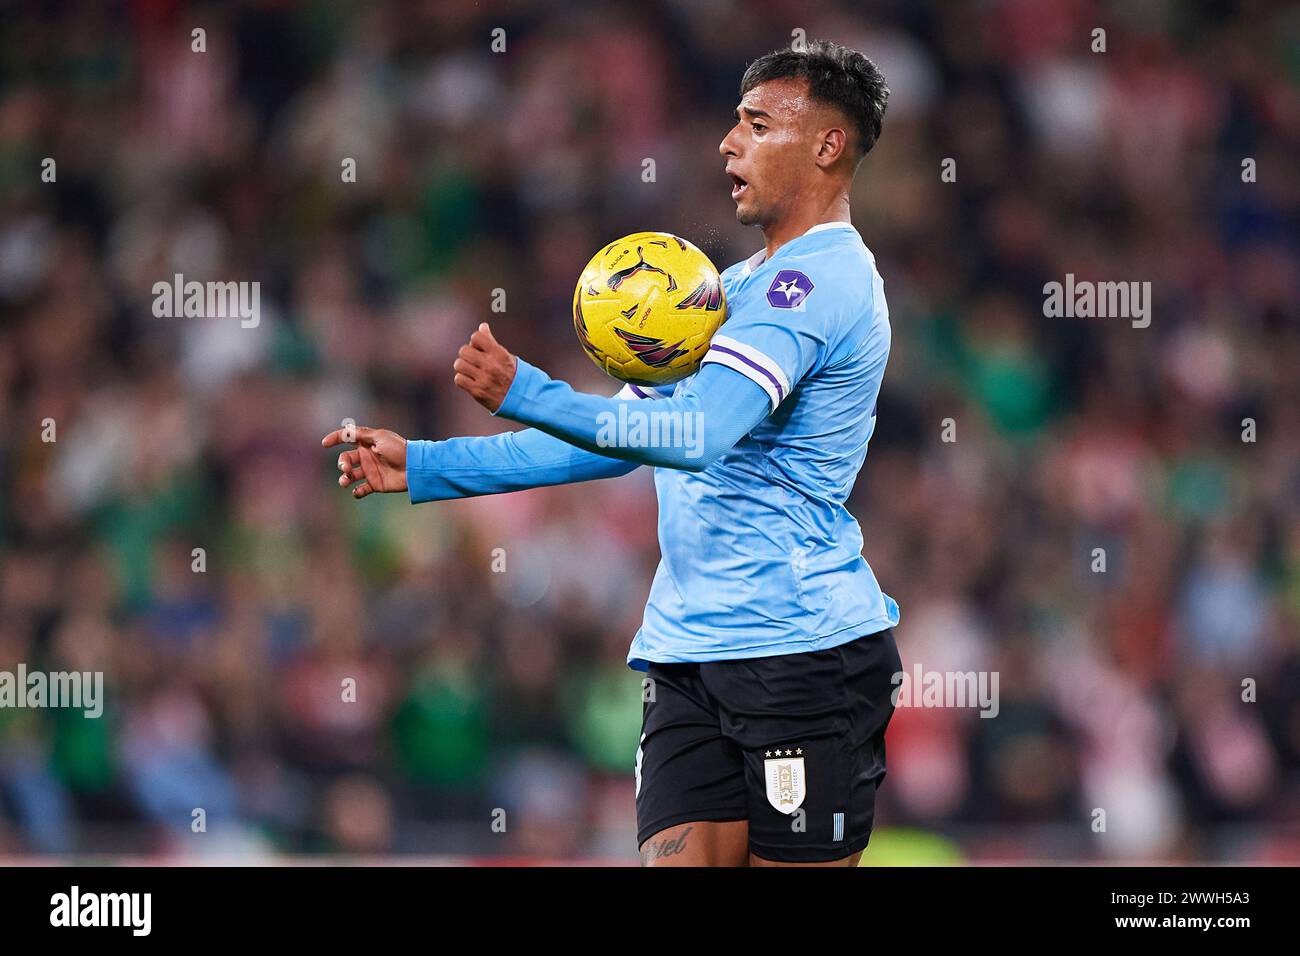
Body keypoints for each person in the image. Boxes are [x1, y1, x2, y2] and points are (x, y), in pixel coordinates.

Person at [322, 40, 901, 867]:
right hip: (689, 654)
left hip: (799, 654)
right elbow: (614, 444)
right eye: (734, 122)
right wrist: (423, 464)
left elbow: (696, 436)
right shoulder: (736, 289)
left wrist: (528, 390)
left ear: (826, 145)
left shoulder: (818, 287)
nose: (728, 143)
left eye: (757, 124)